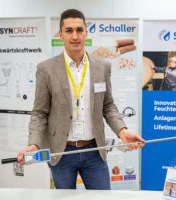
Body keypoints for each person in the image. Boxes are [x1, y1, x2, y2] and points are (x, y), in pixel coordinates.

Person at [17, 9, 145, 190]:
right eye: (69, 31)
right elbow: (40, 112)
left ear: (86, 33)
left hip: (94, 150)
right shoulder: (46, 69)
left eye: (79, 30)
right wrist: (34, 143)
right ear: (60, 34)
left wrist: (122, 132)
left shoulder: (102, 66)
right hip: (61, 151)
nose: (75, 36)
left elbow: (108, 106)